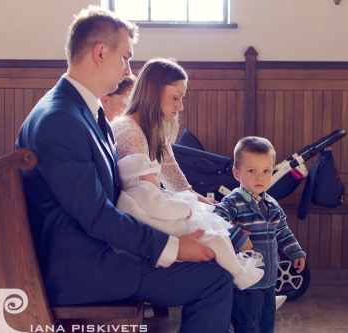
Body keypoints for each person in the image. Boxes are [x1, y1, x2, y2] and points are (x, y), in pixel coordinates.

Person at [15, 6, 232, 333]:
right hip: (85, 270)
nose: (129, 68)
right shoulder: (59, 119)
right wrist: (171, 246)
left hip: (97, 256)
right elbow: (96, 216)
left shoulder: (81, 110)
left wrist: (174, 228)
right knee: (215, 277)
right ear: (100, 52)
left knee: (214, 259)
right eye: (126, 58)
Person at [116, 153, 264, 290]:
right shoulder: (142, 189)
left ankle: (237, 265)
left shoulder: (139, 192)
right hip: (176, 232)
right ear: (141, 177)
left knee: (219, 235)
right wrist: (185, 209)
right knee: (216, 239)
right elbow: (160, 208)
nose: (157, 178)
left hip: (174, 231)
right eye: (154, 175)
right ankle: (239, 274)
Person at [213, 136, 307, 333]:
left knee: (266, 326)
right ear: (236, 173)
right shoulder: (234, 201)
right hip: (246, 284)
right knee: (247, 327)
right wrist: (237, 236)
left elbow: (282, 231)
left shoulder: (272, 204)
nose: (260, 177)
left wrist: (295, 252)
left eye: (266, 171)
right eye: (252, 171)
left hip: (269, 281)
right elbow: (216, 219)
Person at [111, 57, 215, 205]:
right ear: (154, 91)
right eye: (175, 98)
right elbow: (144, 202)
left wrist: (213, 209)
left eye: (181, 99)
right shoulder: (129, 132)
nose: (180, 107)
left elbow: (180, 187)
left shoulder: (156, 134)